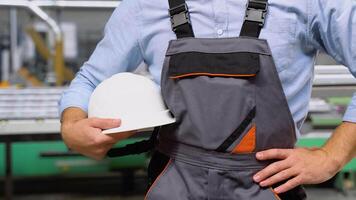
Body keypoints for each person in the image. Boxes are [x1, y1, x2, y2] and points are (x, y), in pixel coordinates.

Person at [60, 0, 356, 199]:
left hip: (268, 184)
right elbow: (88, 81)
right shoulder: (143, 6)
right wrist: (72, 124)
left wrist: (331, 157)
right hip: (174, 182)